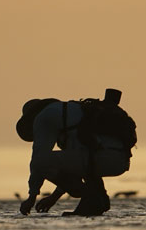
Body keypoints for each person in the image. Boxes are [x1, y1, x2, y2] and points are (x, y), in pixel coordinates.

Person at [16, 88, 136, 217]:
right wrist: (54, 198)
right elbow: (76, 165)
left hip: (102, 158)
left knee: (41, 161)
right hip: (120, 161)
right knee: (83, 159)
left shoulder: (44, 117)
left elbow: (38, 160)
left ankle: (92, 198)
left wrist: (31, 197)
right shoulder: (71, 112)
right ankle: (98, 199)